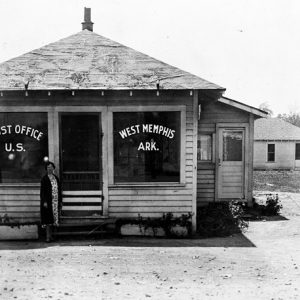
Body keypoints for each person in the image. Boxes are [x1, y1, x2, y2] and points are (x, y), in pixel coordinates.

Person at [40, 161, 62, 242]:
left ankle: (51, 236)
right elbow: (42, 192)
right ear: (46, 169)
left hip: (55, 202)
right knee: (47, 220)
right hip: (48, 202)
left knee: (53, 220)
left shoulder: (56, 178)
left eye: (51, 167)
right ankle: (47, 237)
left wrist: (60, 201)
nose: (50, 168)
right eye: (48, 167)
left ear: (53, 168)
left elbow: (59, 190)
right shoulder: (44, 179)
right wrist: (44, 201)